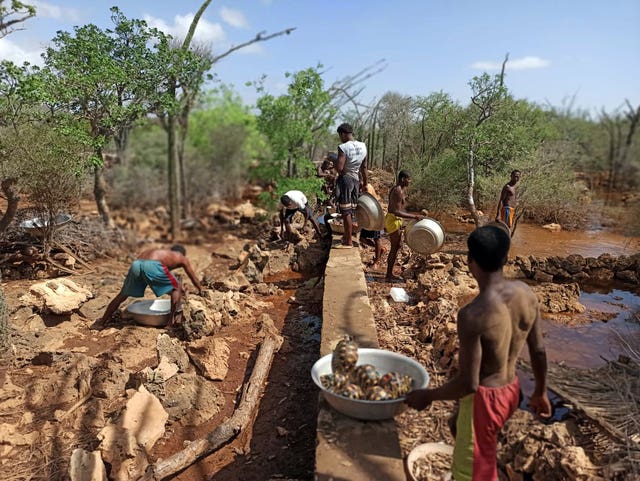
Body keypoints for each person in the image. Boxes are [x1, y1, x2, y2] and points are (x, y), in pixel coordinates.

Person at [406, 225, 551, 481]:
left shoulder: (473, 315)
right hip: (512, 391)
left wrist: (428, 396)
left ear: (469, 260)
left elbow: (469, 384)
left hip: (486, 400)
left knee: (471, 472)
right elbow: (538, 350)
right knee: (467, 435)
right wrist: (540, 391)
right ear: (506, 258)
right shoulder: (526, 294)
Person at [98, 245, 203, 329]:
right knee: (177, 288)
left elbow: (156, 277)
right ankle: (170, 324)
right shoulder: (181, 257)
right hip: (152, 265)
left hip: (136, 264)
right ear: (182, 253)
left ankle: (102, 322)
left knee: (122, 295)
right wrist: (200, 289)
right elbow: (193, 277)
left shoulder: (161, 252)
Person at [384, 170, 423, 281]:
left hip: (395, 220)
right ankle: (388, 275)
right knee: (394, 248)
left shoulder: (398, 190)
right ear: (402, 179)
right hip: (393, 220)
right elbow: (396, 211)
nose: (410, 181)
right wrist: (414, 217)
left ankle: (389, 273)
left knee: (397, 246)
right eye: (408, 179)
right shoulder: (398, 191)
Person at [334, 123, 368, 248]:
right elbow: (364, 167)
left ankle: (348, 239)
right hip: (356, 180)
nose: (340, 138)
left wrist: (333, 161)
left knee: (345, 211)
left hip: (346, 180)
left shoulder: (343, 147)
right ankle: (348, 236)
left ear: (343, 134)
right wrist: (365, 183)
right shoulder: (363, 146)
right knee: (352, 209)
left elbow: (339, 167)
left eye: (340, 135)